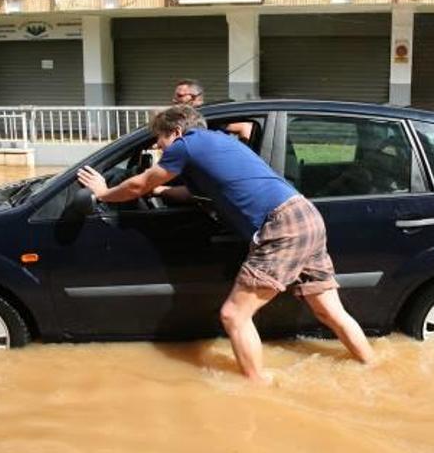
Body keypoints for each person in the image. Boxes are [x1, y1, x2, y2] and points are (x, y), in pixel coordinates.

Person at [77, 105, 375, 382]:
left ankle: (256, 389)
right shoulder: (217, 143)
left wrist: (103, 193)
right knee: (328, 311)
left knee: (234, 315)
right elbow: (195, 194)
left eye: (160, 138)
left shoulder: (185, 145)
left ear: (177, 131)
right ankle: (372, 367)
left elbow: (138, 184)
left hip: (281, 227)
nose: (158, 146)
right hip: (305, 216)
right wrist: (162, 191)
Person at [172, 78, 254, 143]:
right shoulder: (186, 116)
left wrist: (245, 154)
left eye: (179, 95)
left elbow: (244, 127)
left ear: (194, 97)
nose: (174, 100)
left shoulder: (209, 115)